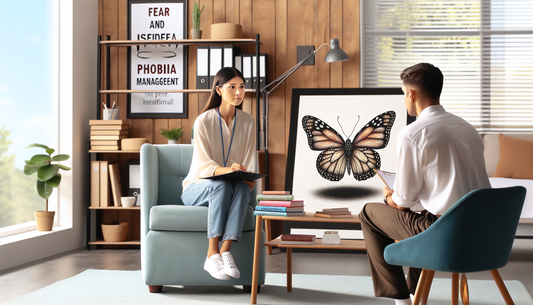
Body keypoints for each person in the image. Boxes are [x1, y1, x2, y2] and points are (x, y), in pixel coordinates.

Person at [359, 63, 491, 305]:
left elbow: (403, 201)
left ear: (411, 94)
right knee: (424, 213)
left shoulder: (412, 133)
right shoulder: (469, 129)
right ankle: (414, 290)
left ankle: (402, 300)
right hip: (485, 234)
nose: (404, 99)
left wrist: (390, 196)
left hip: (445, 234)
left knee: (368, 213)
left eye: (403, 93)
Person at [181, 67, 257, 281]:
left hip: (232, 186)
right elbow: (203, 167)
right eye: (231, 87)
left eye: (241, 87)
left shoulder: (249, 122)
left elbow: (250, 159)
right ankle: (211, 253)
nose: (238, 92)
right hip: (197, 189)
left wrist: (246, 175)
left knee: (241, 187)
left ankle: (226, 251)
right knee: (221, 185)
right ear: (219, 90)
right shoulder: (202, 121)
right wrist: (231, 170)